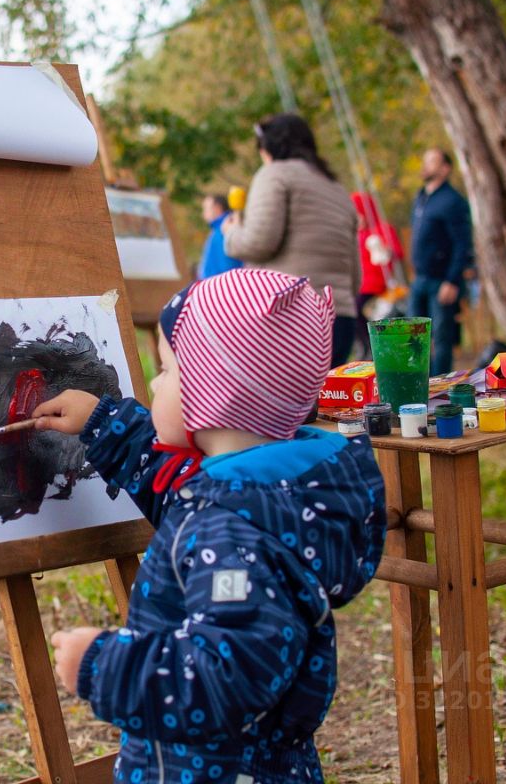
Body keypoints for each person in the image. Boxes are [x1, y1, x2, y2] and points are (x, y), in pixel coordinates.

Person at [32, 268, 387, 784]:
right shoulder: (264, 492)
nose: (155, 383)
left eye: (167, 370)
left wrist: (103, 665)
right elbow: (182, 492)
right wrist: (104, 424)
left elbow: (226, 679)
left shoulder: (232, 531)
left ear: (211, 395)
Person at [222, 114, 360, 367]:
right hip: (341, 318)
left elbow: (258, 243)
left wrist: (231, 232)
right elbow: (355, 274)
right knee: (329, 393)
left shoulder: (274, 175)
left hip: (293, 319)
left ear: (268, 148)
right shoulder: (338, 189)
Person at [409, 147, 473, 375]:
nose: (426, 165)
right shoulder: (421, 198)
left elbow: (463, 244)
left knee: (441, 338)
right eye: (425, 160)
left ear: (445, 169)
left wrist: (452, 280)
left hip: (441, 281)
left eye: (432, 161)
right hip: (419, 279)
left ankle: (440, 386)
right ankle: (418, 383)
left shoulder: (453, 201)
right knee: (414, 337)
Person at [350, 191, 405, 359]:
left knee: (355, 307)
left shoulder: (382, 230)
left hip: (378, 282)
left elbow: (397, 252)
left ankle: (369, 343)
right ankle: (365, 343)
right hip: (362, 283)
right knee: (350, 310)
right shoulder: (358, 234)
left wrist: (386, 250)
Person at [197, 194, 240, 279]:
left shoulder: (225, 229)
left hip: (221, 282)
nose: (203, 214)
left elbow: (227, 265)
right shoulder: (218, 229)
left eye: (206, 209)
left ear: (217, 208)